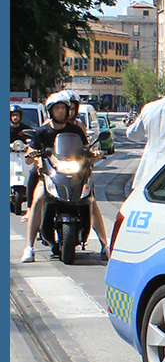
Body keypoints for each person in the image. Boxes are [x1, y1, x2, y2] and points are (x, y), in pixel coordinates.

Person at [21, 91, 108, 262]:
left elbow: (86, 151)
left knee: (91, 201)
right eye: (57, 108)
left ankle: (105, 245)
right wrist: (32, 154)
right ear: (50, 111)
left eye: (63, 108)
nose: (61, 111)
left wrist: (95, 153)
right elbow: (31, 151)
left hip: (74, 176)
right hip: (49, 176)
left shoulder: (75, 130)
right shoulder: (43, 131)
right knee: (38, 200)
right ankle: (29, 248)